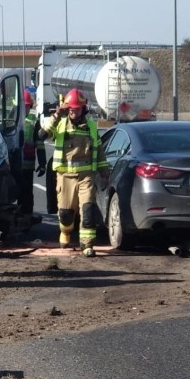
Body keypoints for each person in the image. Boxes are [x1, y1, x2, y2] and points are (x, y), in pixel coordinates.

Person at [40, 88, 108, 256]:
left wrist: (104, 173)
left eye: (76, 109)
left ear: (83, 109)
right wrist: (56, 115)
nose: (73, 111)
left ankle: (87, 245)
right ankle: (66, 231)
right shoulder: (60, 124)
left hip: (86, 176)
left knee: (88, 210)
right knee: (65, 214)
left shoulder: (91, 126)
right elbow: (42, 134)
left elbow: (99, 151)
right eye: (70, 108)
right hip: (65, 176)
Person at [18, 89, 47, 215]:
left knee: (27, 191)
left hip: (28, 165)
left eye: (27, 107)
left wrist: (42, 163)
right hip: (14, 163)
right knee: (13, 189)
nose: (25, 109)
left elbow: (40, 144)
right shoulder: (11, 119)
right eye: (23, 107)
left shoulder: (34, 121)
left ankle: (26, 214)